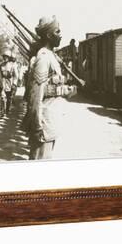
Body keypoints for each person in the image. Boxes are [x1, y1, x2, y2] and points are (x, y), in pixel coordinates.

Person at [26, 16, 76, 160]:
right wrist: (36, 125)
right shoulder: (43, 57)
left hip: (51, 121)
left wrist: (65, 91)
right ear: (48, 35)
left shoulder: (51, 56)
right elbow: (35, 95)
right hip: (43, 124)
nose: (60, 34)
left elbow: (51, 87)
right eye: (57, 31)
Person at [0, 50, 18, 117]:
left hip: (10, 83)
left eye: (6, 57)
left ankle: (7, 109)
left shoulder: (13, 65)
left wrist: (14, 84)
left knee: (9, 98)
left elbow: (16, 76)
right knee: (2, 97)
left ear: (9, 57)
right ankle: (2, 111)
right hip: (3, 82)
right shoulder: (1, 65)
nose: (5, 58)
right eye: (4, 57)